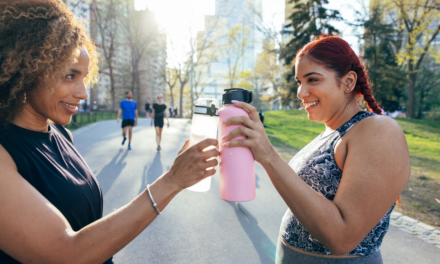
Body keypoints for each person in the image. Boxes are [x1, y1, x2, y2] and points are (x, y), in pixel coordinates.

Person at [0, 1, 219, 263]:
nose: (83, 92)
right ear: (30, 69)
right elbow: (66, 254)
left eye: (84, 76)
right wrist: (171, 181)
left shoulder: (60, 133)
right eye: (70, 75)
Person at [222, 35, 410, 263]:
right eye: (298, 82)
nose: (301, 92)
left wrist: (269, 156)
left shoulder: (379, 130)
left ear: (348, 82)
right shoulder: (332, 132)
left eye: (312, 80)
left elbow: (342, 239)